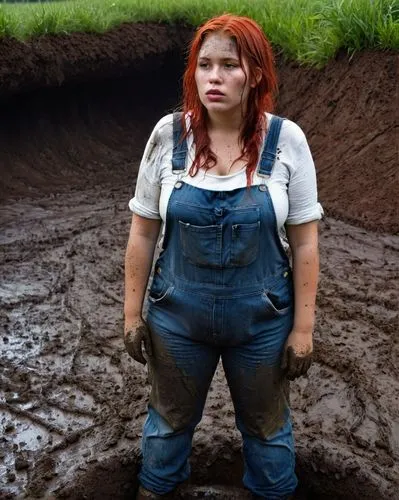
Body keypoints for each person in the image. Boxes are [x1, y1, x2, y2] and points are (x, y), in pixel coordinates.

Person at [124, 13, 322, 500]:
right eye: (204, 65)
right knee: (166, 428)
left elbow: (305, 243)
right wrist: (132, 314)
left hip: (262, 323)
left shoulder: (287, 141)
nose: (214, 77)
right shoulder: (169, 136)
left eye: (229, 65)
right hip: (177, 319)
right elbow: (143, 232)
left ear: (254, 73)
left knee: (269, 434)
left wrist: (303, 329)